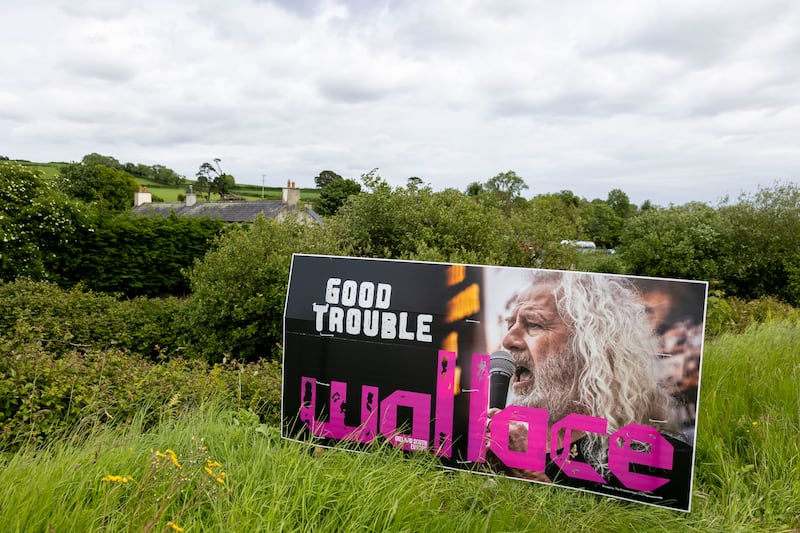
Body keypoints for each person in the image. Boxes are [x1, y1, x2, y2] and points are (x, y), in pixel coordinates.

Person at [486, 270, 692, 507]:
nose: (508, 340)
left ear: (590, 348)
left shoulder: (661, 460)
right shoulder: (502, 443)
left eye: (533, 324)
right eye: (510, 325)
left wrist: (531, 474)